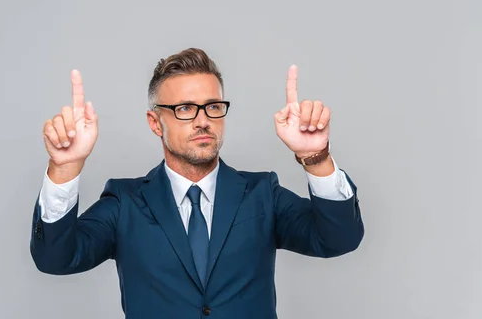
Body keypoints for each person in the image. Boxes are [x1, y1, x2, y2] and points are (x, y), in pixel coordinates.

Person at [30, 48, 364, 319]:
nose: (203, 120)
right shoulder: (125, 202)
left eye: (213, 107)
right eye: (185, 108)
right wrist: (65, 168)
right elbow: (55, 258)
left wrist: (316, 157)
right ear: (155, 122)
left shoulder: (262, 195)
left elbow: (339, 239)